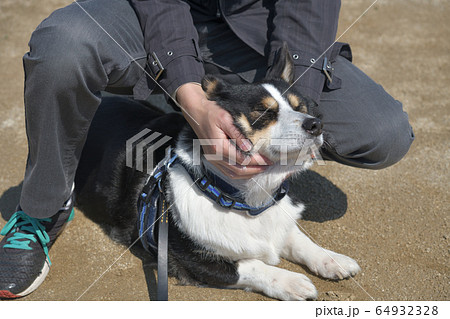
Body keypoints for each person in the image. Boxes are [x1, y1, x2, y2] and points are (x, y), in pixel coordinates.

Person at [0, 0, 414, 298]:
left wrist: (294, 111)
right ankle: (41, 208)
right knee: (63, 44)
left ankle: (174, 103)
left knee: (383, 131)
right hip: (150, 13)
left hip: (254, 21)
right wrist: (190, 97)